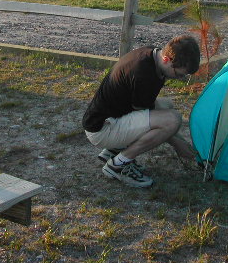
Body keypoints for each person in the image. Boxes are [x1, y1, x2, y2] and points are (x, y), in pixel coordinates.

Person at [82, 35, 201, 188]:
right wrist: (177, 144)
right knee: (172, 120)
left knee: (168, 106)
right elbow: (152, 119)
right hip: (102, 130)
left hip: (108, 118)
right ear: (167, 59)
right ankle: (118, 165)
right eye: (178, 74)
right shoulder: (144, 74)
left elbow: (147, 107)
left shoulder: (152, 54)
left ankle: (114, 150)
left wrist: (178, 139)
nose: (179, 78)